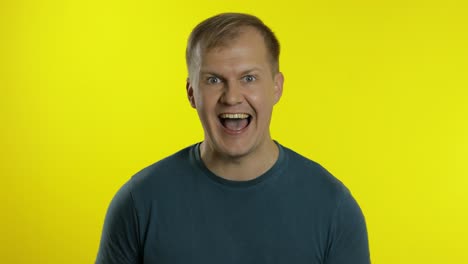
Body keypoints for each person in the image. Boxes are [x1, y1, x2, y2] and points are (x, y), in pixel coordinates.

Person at [96, 13, 370, 264]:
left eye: (249, 78)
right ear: (192, 93)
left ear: (276, 87)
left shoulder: (333, 208)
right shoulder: (139, 203)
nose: (232, 97)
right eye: (214, 80)